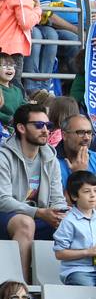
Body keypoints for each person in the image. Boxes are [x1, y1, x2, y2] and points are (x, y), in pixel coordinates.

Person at [0, 104, 64, 282]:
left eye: (48, 126)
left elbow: (57, 198)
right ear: (21, 128)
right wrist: (38, 212)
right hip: (6, 215)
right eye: (38, 125)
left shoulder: (50, 158)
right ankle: (21, 288)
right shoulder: (3, 156)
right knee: (25, 223)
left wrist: (61, 215)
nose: (45, 130)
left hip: (39, 216)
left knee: (74, 223)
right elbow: (2, 200)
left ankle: (71, 285)